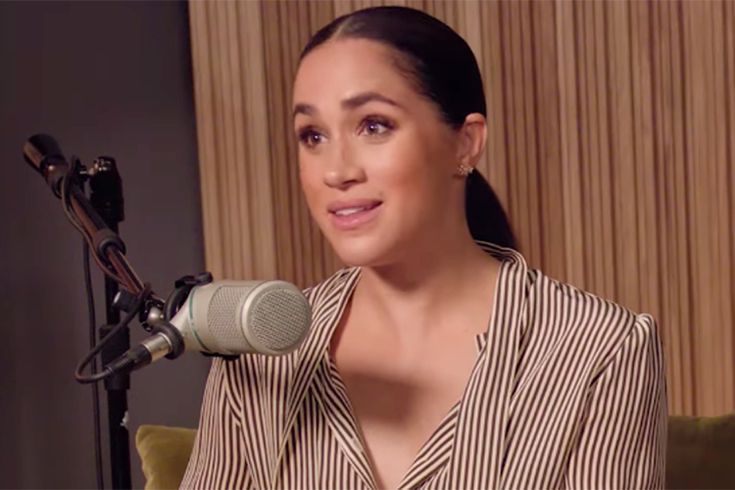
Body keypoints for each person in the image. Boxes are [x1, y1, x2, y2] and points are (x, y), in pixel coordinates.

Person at [181, 6, 666, 489]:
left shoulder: (602, 350)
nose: (336, 171)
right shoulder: (259, 350)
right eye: (313, 135)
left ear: (466, 143)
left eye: (374, 126)